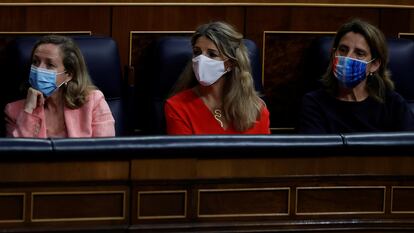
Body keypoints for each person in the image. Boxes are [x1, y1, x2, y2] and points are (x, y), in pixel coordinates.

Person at [299, 18, 414, 133]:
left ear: (374, 65)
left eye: (359, 53)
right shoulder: (314, 103)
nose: (348, 57)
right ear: (334, 54)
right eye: (343, 50)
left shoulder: (393, 103)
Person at [164, 22, 270, 135]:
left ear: (230, 63)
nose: (201, 60)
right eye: (197, 52)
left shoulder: (256, 110)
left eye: (212, 54)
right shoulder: (177, 106)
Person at [4, 35, 115, 138]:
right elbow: (19, 155)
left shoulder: (93, 102)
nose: (39, 69)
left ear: (69, 74)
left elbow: (105, 153)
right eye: (35, 62)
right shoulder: (14, 111)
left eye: (49, 65)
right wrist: (28, 110)